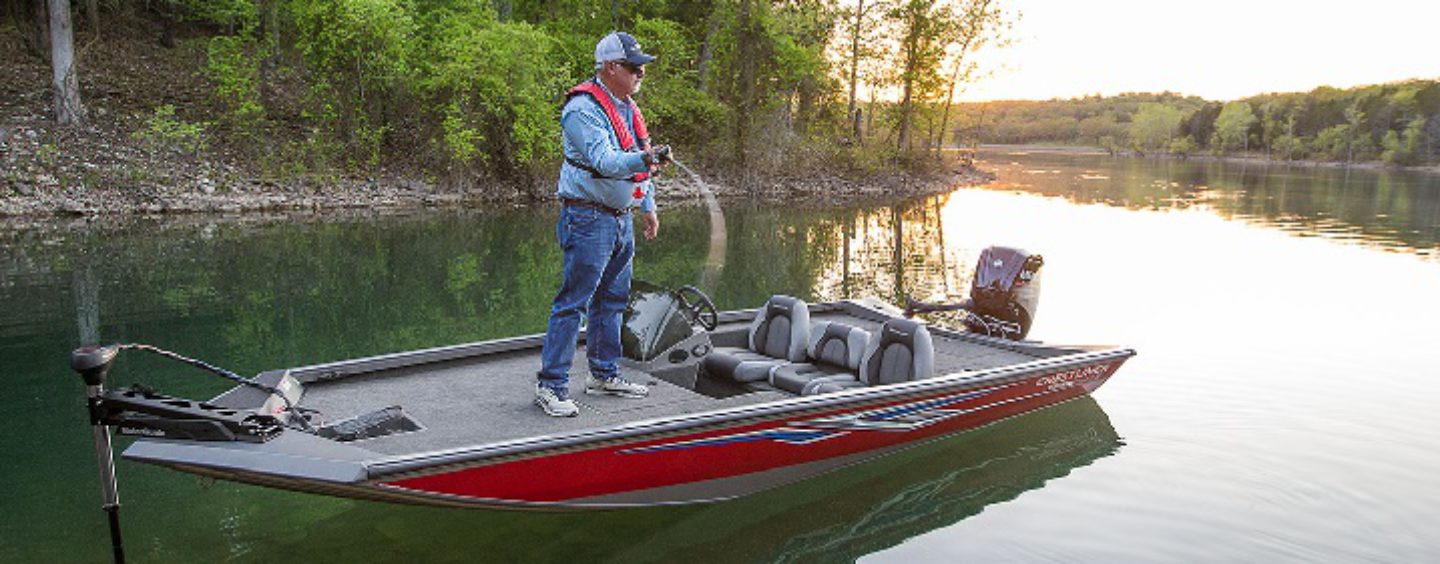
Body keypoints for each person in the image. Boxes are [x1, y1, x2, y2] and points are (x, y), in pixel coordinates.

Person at [535, 31, 670, 417]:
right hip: (588, 217)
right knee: (572, 304)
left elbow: (639, 156)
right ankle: (551, 385)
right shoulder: (582, 109)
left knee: (612, 301)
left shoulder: (626, 108)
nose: (641, 74)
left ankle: (604, 374)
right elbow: (607, 161)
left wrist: (649, 206)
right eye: (634, 68)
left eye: (642, 68)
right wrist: (646, 160)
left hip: (620, 219)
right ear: (611, 68)